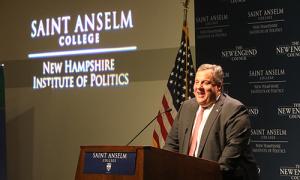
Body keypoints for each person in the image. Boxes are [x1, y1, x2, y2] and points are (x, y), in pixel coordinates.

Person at [164, 64, 259, 180]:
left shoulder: (234, 110)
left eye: (205, 83)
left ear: (218, 87)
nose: (199, 87)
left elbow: (228, 161)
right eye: (197, 82)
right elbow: (171, 145)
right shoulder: (186, 107)